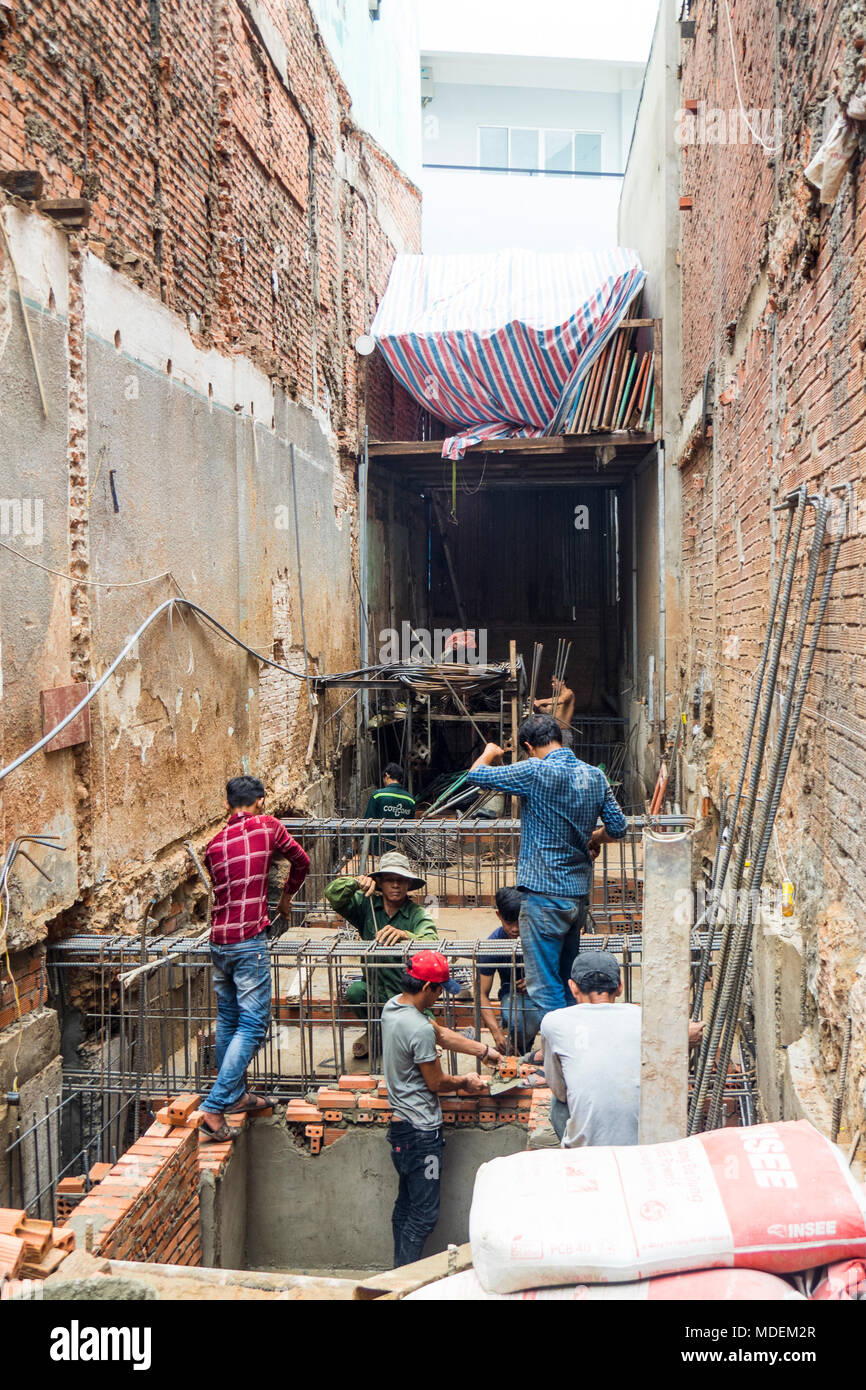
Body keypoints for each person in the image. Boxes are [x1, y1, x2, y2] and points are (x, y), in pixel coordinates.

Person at [465, 713, 628, 1018]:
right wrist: (596, 836)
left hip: (543, 897)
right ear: (560, 738)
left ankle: (560, 1055)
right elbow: (618, 827)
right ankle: (576, 1049)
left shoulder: (534, 771)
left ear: (528, 746)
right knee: (569, 980)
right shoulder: (594, 775)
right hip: (576, 897)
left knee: (543, 984)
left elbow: (475, 776)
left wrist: (488, 753)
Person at [200, 776, 310, 1142]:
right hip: (248, 941)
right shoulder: (268, 825)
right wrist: (287, 896)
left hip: (219, 942)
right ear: (260, 801)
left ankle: (234, 1096)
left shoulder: (213, 844)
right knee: (253, 1024)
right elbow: (301, 860)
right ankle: (215, 1107)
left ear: (228, 805)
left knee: (228, 1019)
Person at [382, 950, 492, 1267]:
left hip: (401, 1128)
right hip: (421, 1133)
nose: (441, 994)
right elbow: (436, 1082)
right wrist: (465, 1082)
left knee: (405, 1207)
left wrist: (485, 1051)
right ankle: (403, 1281)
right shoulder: (417, 1029)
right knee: (424, 1214)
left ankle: (396, 1275)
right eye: (440, 988)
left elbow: (440, 1034)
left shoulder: (394, 1008)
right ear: (428, 988)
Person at [541, 951, 704, 1147]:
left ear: (573, 987)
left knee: (558, 1103)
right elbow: (688, 1033)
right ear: (619, 987)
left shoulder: (554, 1022)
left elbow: (559, 1090)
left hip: (587, 1152)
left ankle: (573, 1150)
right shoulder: (642, 1017)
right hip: (645, 1144)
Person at [324, 850, 438, 1058]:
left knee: (428, 1032)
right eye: (389, 880)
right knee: (356, 992)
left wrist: (405, 935)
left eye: (401, 880)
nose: (395, 885)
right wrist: (355, 883)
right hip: (375, 989)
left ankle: (395, 1036)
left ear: (408, 885)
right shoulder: (365, 906)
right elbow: (332, 894)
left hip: (408, 994)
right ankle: (376, 1031)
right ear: (379, 883)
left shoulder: (416, 914)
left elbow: (433, 942)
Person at [478, 886, 544, 1055]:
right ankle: (520, 1049)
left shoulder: (543, 938)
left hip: (548, 992)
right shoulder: (493, 944)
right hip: (514, 996)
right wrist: (496, 1032)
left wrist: (537, 981)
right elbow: (481, 994)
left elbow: (567, 975)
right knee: (519, 1018)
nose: (515, 929)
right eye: (509, 922)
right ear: (499, 915)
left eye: (520, 921)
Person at [363, 763, 415, 854]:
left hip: (378, 849)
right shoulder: (410, 799)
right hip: (400, 850)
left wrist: (357, 839)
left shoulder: (378, 795)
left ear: (387, 775)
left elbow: (368, 821)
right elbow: (410, 826)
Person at [534, 675, 576, 747]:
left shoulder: (569, 693)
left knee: (561, 757)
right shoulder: (554, 698)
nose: (552, 684)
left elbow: (561, 700)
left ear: (562, 681)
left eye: (554, 682)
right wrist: (536, 703)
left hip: (563, 733)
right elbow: (546, 711)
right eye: (551, 682)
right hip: (553, 732)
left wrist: (540, 701)